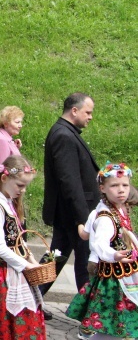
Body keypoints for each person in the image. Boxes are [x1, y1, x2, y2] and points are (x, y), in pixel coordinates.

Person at [66, 162, 138, 340]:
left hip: (125, 274)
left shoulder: (120, 210)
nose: (121, 190)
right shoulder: (105, 217)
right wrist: (113, 254)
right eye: (114, 185)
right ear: (103, 188)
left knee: (116, 326)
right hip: (115, 280)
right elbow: (99, 244)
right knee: (112, 324)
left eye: (125, 185)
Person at [0, 155, 45, 339]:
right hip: (3, 272)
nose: (23, 191)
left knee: (28, 318)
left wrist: (32, 260)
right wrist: (26, 265)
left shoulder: (8, 203)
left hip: (17, 269)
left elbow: (18, 239)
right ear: (5, 178)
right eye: (20, 186)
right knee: (10, 321)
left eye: (25, 187)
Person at [41, 93, 100, 302]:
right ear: (74, 111)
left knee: (55, 258)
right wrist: (82, 218)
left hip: (69, 212)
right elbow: (69, 181)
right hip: (74, 213)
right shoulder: (63, 135)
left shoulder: (66, 132)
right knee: (84, 262)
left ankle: (29, 298)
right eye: (88, 112)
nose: (90, 117)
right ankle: (87, 313)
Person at [0, 106, 24, 174]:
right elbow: (1, 170)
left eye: (21, 122)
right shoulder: (2, 140)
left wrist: (14, 147)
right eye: (17, 122)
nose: (20, 125)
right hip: (5, 183)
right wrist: (23, 170)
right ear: (6, 124)